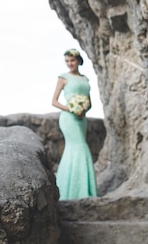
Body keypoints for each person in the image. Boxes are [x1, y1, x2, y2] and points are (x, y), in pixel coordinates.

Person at [52, 48, 98, 200]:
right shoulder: (63, 78)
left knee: (80, 147)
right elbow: (54, 101)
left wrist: (84, 110)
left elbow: (89, 102)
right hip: (68, 118)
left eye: (72, 60)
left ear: (78, 60)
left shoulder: (85, 79)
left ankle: (84, 190)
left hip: (81, 118)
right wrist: (71, 109)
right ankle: (69, 192)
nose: (69, 64)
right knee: (77, 147)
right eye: (67, 61)